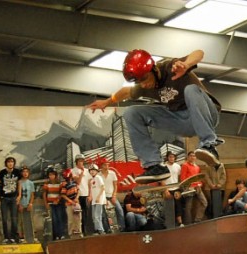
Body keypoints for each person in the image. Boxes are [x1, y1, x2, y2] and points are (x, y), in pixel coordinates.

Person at [87, 49, 222, 183]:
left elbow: (199, 53)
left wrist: (186, 64)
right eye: (140, 82)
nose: (144, 84)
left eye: (145, 79)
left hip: (207, 115)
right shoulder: (144, 86)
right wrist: (107, 102)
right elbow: (126, 92)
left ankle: (209, 145)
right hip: (182, 122)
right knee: (132, 112)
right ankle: (154, 165)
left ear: (154, 69)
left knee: (190, 89)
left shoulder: (171, 67)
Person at [0, 156, 21, 243]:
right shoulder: (2, 172)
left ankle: (14, 236)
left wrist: (19, 195)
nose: (10, 163)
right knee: (4, 218)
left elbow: (19, 184)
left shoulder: (17, 172)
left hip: (13, 198)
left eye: (12, 162)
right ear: (6, 163)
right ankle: (6, 237)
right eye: (9, 162)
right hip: (4, 198)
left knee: (14, 218)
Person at [98, 158, 126, 232]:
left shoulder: (112, 173)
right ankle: (107, 229)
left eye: (107, 164)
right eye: (105, 165)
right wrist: (103, 199)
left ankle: (122, 227)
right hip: (103, 197)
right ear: (101, 166)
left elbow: (115, 185)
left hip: (111, 195)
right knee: (103, 213)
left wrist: (114, 196)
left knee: (119, 210)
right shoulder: (98, 175)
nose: (107, 166)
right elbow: (98, 188)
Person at [180, 151, 207, 223]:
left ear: (196, 157)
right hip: (189, 188)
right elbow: (183, 179)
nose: (192, 157)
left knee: (204, 203)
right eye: (191, 156)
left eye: (194, 156)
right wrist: (188, 187)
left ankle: (197, 220)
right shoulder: (185, 165)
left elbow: (199, 178)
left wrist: (200, 184)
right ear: (188, 157)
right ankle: (188, 223)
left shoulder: (197, 167)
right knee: (188, 206)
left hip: (197, 187)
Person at [42, 168, 66, 240]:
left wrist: (57, 200)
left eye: (53, 175)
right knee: (54, 219)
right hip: (50, 203)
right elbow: (44, 194)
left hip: (58, 204)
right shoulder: (47, 184)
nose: (51, 176)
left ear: (55, 175)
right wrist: (46, 203)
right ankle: (55, 235)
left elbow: (61, 193)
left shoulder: (59, 183)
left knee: (59, 218)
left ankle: (61, 234)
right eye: (50, 175)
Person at [72, 154, 93, 236]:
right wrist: (81, 173)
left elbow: (89, 183)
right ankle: (81, 231)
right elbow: (78, 182)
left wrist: (90, 194)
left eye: (82, 161)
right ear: (76, 162)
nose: (81, 163)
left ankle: (88, 231)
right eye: (79, 161)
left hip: (86, 194)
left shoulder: (87, 171)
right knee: (79, 214)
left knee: (87, 213)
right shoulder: (73, 170)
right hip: (78, 195)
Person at [163, 151, 183, 226]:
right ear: (167, 157)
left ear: (175, 158)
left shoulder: (178, 166)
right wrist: (165, 190)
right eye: (170, 157)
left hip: (176, 188)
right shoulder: (163, 166)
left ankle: (180, 223)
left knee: (178, 206)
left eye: (173, 157)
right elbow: (162, 179)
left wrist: (180, 188)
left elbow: (179, 177)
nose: (171, 158)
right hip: (167, 188)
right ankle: (169, 224)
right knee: (169, 207)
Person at [61, 169, 81, 238]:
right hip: (69, 204)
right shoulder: (64, 184)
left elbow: (78, 191)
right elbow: (63, 195)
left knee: (78, 218)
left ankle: (78, 232)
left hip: (76, 202)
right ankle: (71, 234)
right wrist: (70, 201)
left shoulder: (74, 183)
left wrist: (76, 198)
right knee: (71, 219)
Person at [17, 166, 35, 243]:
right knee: (20, 221)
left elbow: (32, 194)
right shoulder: (19, 182)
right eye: (23, 172)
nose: (25, 173)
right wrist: (19, 204)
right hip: (21, 204)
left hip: (28, 204)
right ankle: (21, 237)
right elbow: (18, 194)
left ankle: (30, 237)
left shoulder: (31, 183)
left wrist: (30, 203)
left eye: (26, 172)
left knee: (29, 220)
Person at [88, 164, 106, 235]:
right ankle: (96, 229)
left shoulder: (98, 177)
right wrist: (91, 197)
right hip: (94, 201)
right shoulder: (92, 180)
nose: (92, 172)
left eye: (93, 170)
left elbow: (103, 187)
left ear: (96, 171)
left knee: (97, 215)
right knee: (93, 216)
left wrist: (98, 197)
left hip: (99, 200)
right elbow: (92, 190)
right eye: (91, 171)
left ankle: (101, 230)